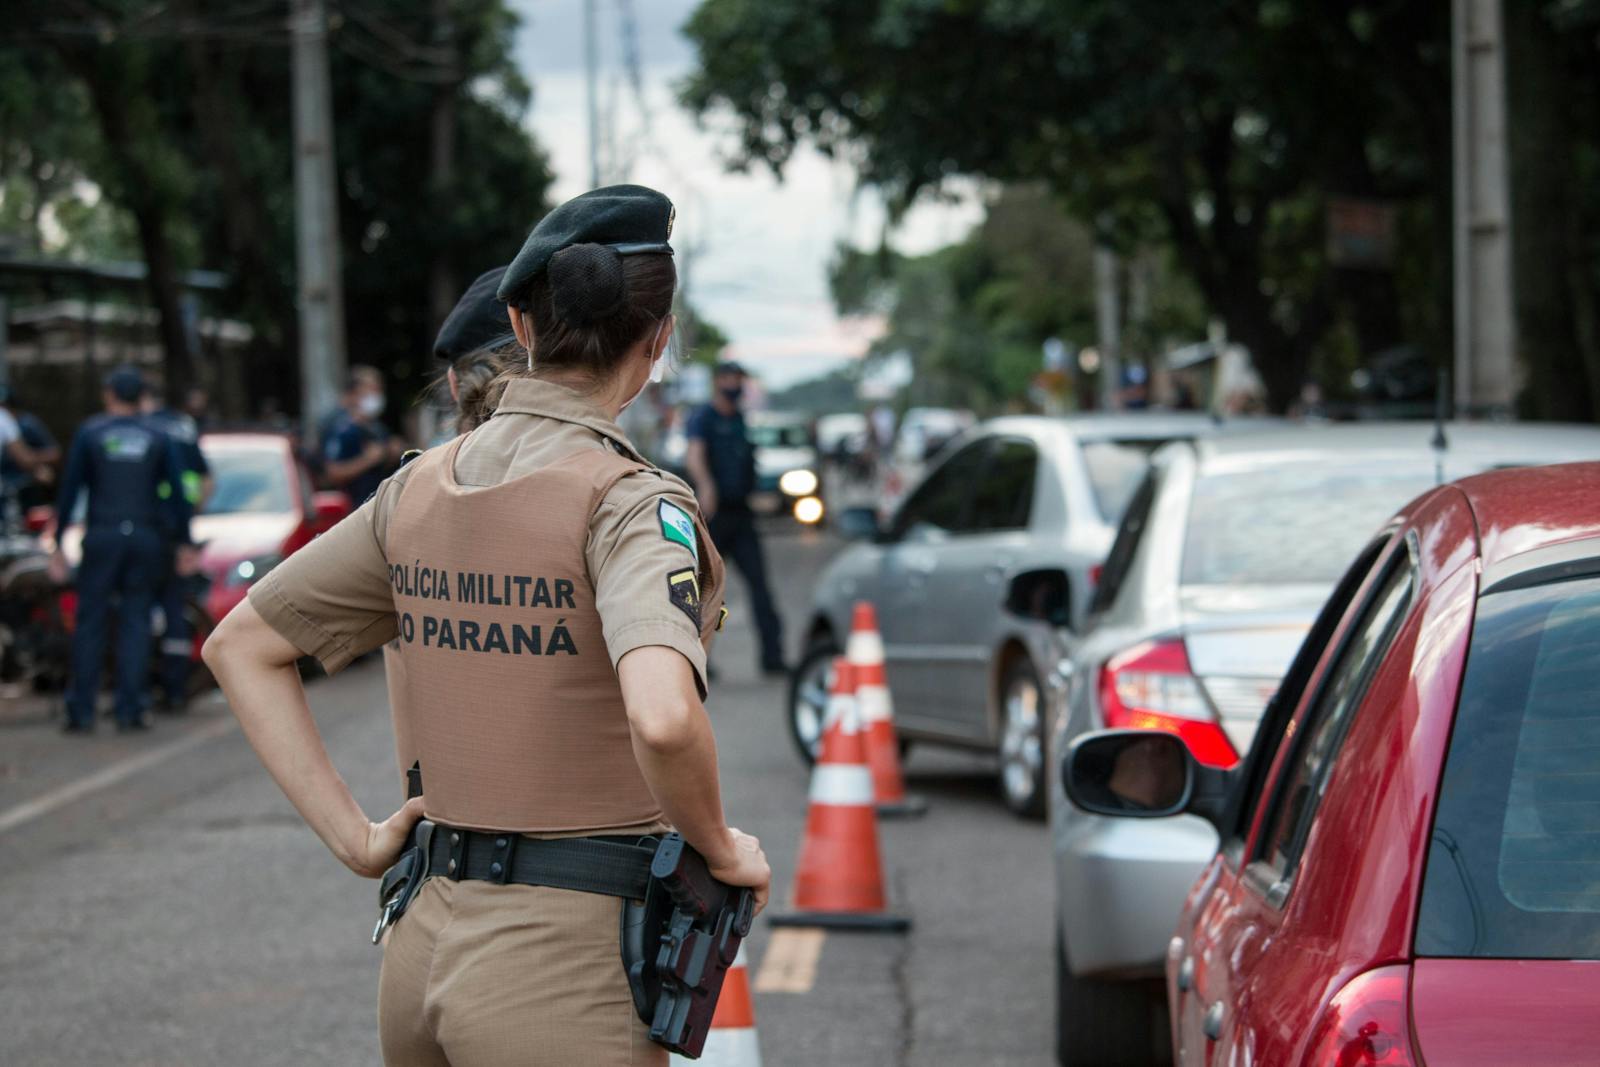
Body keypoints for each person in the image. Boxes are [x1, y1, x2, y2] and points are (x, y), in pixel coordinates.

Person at [202, 184, 770, 1066]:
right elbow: (662, 715)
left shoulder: (416, 489)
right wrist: (719, 845)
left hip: (422, 942)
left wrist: (358, 840)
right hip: (566, 972)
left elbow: (240, 644)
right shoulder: (628, 502)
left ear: (521, 320)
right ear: (658, 340)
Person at [50, 366, 193, 734]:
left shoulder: (91, 433)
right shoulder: (157, 435)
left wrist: (57, 542)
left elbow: (69, 491)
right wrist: (184, 541)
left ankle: (82, 710)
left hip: (102, 537)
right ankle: (131, 707)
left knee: (91, 623)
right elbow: (177, 495)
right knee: (136, 623)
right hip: (144, 538)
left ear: (110, 394)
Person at [685, 361, 786, 674]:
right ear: (718, 381)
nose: (734, 384)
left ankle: (773, 659)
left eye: (739, 378)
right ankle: (697, 660)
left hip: (742, 515)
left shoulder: (741, 419)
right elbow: (694, 454)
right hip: (714, 516)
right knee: (705, 590)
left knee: (760, 587)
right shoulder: (704, 417)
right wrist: (706, 486)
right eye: (729, 378)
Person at [142, 385, 214, 711]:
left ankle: (140, 689)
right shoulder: (182, 426)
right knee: (175, 609)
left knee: (137, 611)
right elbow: (207, 479)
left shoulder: (143, 428)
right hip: (177, 527)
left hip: (147, 529)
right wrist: (191, 514)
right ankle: (175, 688)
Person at [322, 365, 402, 505]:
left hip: (376, 505)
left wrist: (391, 453)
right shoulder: (341, 428)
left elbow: (381, 466)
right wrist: (367, 459)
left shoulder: (376, 428)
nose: (376, 395)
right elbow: (333, 473)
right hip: (351, 509)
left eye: (378, 389)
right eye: (371, 389)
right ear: (353, 393)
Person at [0, 384, 60, 520]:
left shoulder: (27, 423)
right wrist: (38, 469)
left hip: (20, 484)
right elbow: (24, 458)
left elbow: (53, 452)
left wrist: (36, 465)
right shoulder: (4, 419)